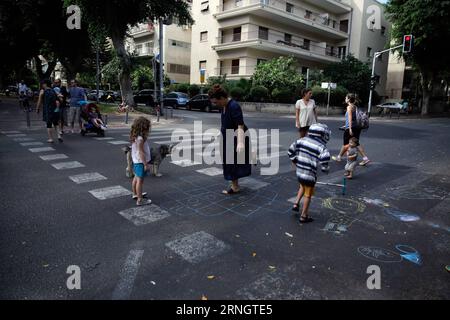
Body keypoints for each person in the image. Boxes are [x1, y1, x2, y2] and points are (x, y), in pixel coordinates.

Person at [208, 84, 251, 195]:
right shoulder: (223, 106)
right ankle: (235, 186)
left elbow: (240, 125)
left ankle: (235, 186)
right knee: (229, 163)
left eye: (216, 102)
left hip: (236, 137)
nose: (214, 104)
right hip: (228, 137)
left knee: (233, 163)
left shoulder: (234, 106)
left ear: (222, 98)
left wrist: (240, 143)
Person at [288, 123, 331, 224]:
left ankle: (296, 204)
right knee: (308, 195)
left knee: (302, 186)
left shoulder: (301, 140)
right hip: (310, 175)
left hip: (300, 172)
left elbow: (290, 151)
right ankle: (304, 216)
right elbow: (325, 159)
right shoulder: (321, 147)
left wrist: (296, 162)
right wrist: (325, 169)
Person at [332, 93, 370, 166]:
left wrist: (349, 129)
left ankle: (339, 157)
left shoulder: (349, 107)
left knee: (346, 143)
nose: (345, 99)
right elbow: (354, 118)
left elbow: (350, 118)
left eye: (346, 98)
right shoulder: (355, 107)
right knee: (356, 143)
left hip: (351, 127)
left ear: (349, 99)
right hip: (357, 127)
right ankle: (365, 158)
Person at [130, 117, 152, 206]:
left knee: (136, 178)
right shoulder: (140, 139)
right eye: (148, 127)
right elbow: (141, 152)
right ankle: (140, 199)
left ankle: (135, 194)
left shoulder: (136, 136)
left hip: (136, 161)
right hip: (140, 162)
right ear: (144, 128)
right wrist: (145, 164)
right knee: (140, 180)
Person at [36, 79, 63, 143]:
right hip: (55, 110)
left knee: (49, 124)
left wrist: (37, 109)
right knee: (55, 123)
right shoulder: (53, 91)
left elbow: (39, 101)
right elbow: (59, 100)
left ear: (45, 84)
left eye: (42, 84)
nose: (42, 85)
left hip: (48, 110)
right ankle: (59, 136)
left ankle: (50, 138)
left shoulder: (43, 91)